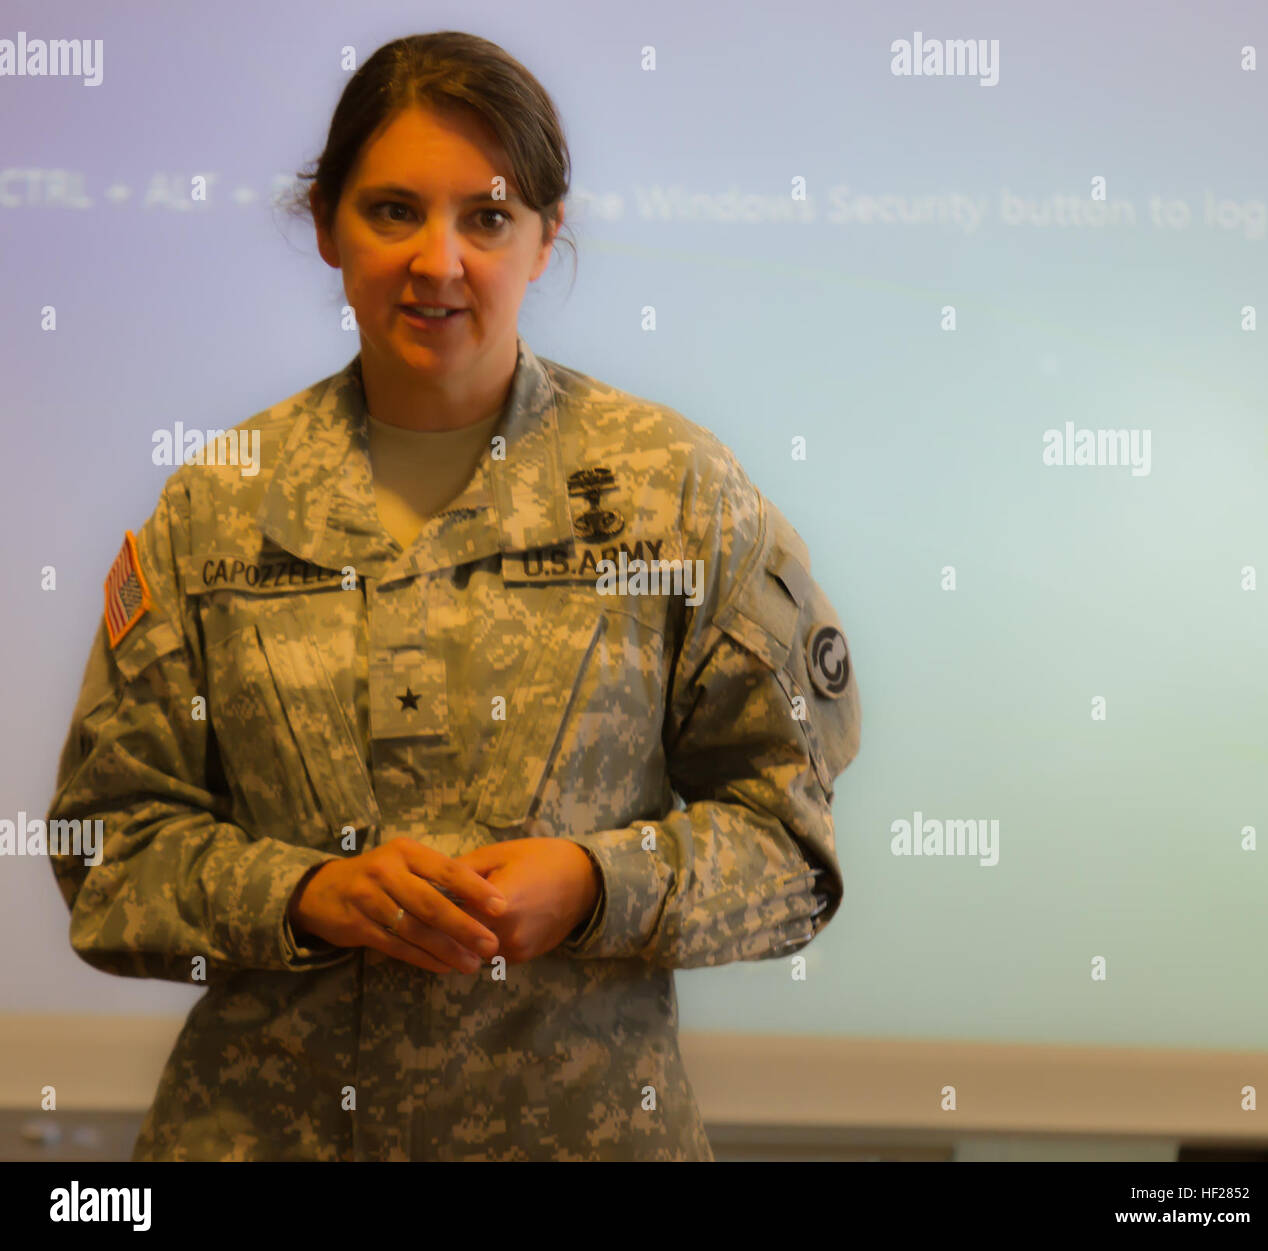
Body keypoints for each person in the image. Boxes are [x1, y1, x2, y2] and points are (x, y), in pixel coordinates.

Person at [46, 30, 861, 1162]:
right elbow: (108, 852)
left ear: (544, 237)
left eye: (486, 217)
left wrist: (592, 885)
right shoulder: (218, 507)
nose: (439, 262)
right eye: (392, 212)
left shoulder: (673, 496)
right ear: (326, 224)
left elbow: (792, 858)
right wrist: (303, 897)